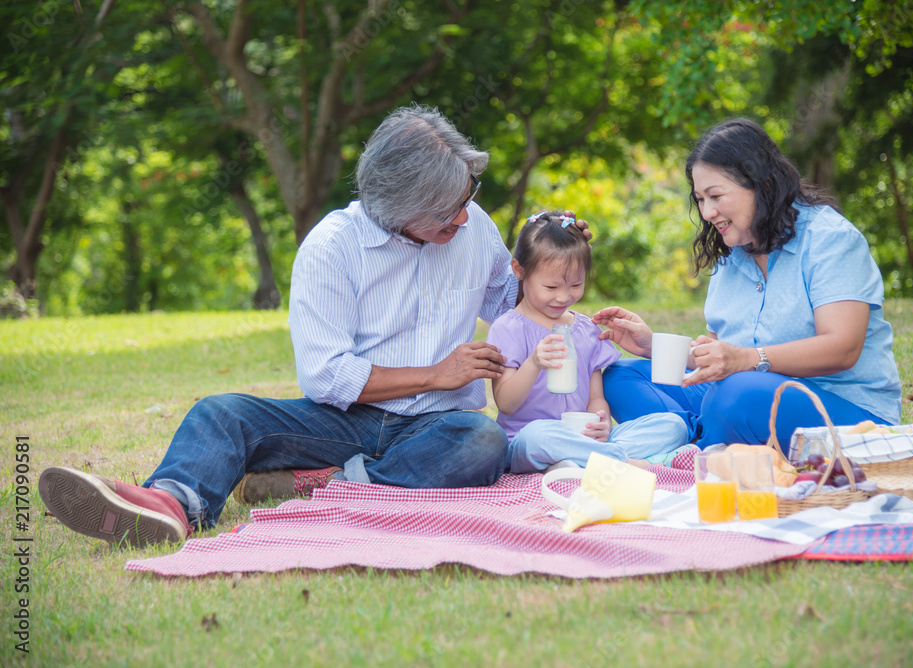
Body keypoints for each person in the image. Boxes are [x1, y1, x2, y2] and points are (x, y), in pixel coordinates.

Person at [37, 105, 590, 548]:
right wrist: (435, 373)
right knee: (220, 413)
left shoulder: (473, 231)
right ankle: (170, 504)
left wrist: (553, 250)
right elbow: (326, 377)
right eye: (448, 208)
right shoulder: (332, 247)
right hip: (341, 419)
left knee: (481, 441)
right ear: (401, 208)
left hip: (437, 427)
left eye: (466, 198)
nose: (464, 216)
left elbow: (511, 302)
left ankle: (329, 483)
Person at [593, 118, 902, 453]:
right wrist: (654, 346)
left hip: (843, 411)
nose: (707, 212)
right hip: (740, 396)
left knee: (735, 396)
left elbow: (843, 348)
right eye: (699, 199)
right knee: (620, 377)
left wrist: (748, 359)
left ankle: (694, 445)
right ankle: (700, 439)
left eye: (715, 196)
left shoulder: (830, 239)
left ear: (763, 184)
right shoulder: (731, 255)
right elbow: (721, 361)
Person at [486, 210, 690, 473]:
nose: (563, 297)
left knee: (672, 425)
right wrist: (534, 362)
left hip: (583, 440)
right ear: (519, 270)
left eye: (575, 285)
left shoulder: (585, 329)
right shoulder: (508, 328)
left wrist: (601, 420)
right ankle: (632, 464)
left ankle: (578, 463)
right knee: (539, 436)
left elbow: (595, 398)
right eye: (551, 287)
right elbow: (506, 403)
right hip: (527, 441)